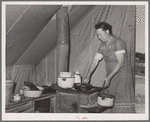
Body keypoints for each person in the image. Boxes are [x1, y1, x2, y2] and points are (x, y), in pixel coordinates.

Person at [84, 22, 135, 113]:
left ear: (107, 31)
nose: (99, 37)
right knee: (110, 98)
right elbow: (95, 61)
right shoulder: (102, 46)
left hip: (123, 74)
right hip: (111, 73)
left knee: (120, 97)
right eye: (97, 35)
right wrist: (88, 76)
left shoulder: (118, 42)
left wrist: (109, 77)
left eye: (100, 34)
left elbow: (120, 62)